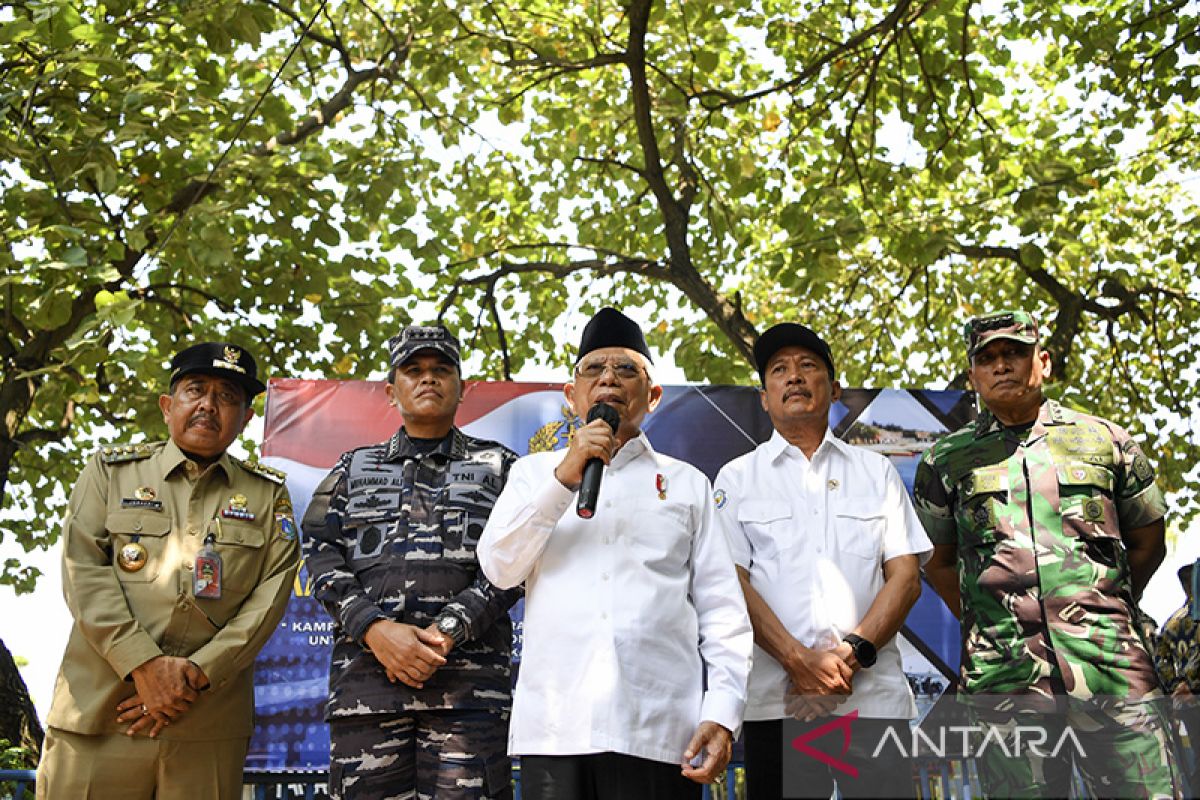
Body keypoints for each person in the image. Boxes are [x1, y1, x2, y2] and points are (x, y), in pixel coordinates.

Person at [478, 307, 752, 800]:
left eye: (626, 369)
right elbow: (499, 569)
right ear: (571, 396)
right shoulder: (532, 474)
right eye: (593, 369)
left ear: (653, 395)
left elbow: (723, 612)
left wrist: (722, 714)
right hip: (556, 729)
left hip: (660, 731)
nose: (608, 378)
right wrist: (565, 478)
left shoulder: (688, 483)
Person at [914, 309, 1177, 798]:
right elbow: (939, 561)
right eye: (987, 358)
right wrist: (993, 623)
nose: (1001, 365)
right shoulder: (944, 461)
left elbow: (1148, 541)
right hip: (1004, 677)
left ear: (1045, 362)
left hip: (1111, 667)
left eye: (1014, 352)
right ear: (972, 375)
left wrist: (1100, 607)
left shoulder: (1106, 441)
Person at [36, 342, 300, 799]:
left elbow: (270, 598)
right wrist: (144, 665)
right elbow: (83, 571)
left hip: (206, 724)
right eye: (195, 389)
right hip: (102, 714)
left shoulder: (267, 496)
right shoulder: (110, 472)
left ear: (246, 418)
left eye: (227, 397)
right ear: (167, 405)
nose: (208, 406)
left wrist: (193, 675)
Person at [713, 322, 931, 799]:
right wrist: (799, 664)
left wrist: (842, 662)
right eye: (779, 370)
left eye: (808, 366)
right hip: (779, 705)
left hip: (872, 704)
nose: (794, 377)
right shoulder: (736, 478)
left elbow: (906, 578)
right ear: (764, 397)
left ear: (832, 390)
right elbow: (729, 583)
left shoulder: (876, 472)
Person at [303, 324, 521, 800]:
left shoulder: (503, 468)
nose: (429, 379)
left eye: (442, 370)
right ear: (390, 390)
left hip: (468, 698)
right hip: (368, 696)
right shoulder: (350, 468)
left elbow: (517, 561)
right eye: (414, 370)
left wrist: (448, 632)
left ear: (463, 388)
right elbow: (318, 552)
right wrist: (374, 629)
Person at [1156, 563, 1200, 789]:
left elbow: (1161, 660)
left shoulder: (1171, 622)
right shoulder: (1194, 618)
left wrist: (1176, 686)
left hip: (1186, 701)